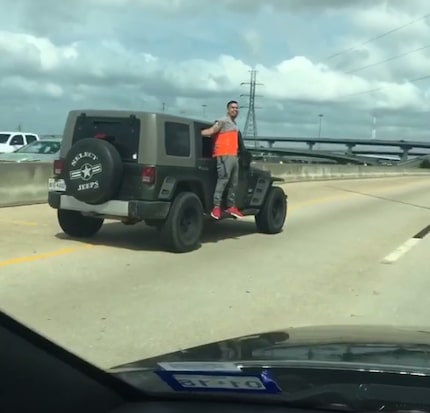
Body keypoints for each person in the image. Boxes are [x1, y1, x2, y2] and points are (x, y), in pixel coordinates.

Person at [201, 100, 244, 220]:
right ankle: (216, 207)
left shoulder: (234, 124)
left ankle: (231, 206)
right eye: (232, 108)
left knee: (233, 183)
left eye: (237, 108)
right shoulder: (222, 121)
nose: (235, 110)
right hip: (223, 155)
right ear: (228, 109)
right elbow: (211, 131)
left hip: (233, 156)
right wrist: (198, 133)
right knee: (223, 180)